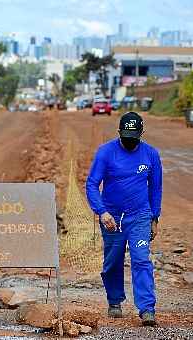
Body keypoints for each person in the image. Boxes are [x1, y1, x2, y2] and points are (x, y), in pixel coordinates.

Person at [86, 111, 162, 326]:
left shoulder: (151, 154)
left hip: (140, 216)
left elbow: (155, 188)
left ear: (141, 133)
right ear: (119, 132)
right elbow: (92, 184)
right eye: (126, 135)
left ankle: (147, 309)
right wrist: (102, 211)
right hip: (112, 218)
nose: (130, 140)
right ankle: (115, 300)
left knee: (141, 260)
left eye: (134, 136)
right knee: (112, 262)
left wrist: (154, 218)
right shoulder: (106, 153)